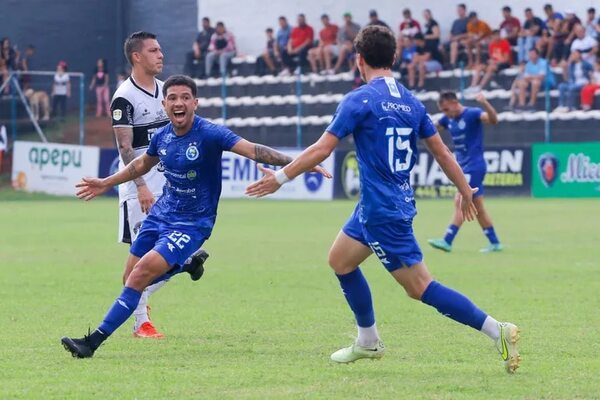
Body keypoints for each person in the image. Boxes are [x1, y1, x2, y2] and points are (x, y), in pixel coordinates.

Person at [246, 25, 520, 374]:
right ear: (393, 57)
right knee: (340, 261)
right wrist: (466, 190)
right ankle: (367, 341)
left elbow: (322, 148)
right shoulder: (411, 101)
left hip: (382, 211)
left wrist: (281, 178)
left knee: (421, 287)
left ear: (358, 59)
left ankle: (497, 330)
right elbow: (443, 154)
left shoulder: (359, 99)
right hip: (380, 205)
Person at [60, 74, 331, 359]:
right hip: (161, 214)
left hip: (192, 223)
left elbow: (254, 150)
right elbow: (140, 164)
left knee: (139, 275)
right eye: (173, 98)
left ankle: (91, 343)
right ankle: (188, 264)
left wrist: (300, 163)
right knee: (129, 275)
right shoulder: (163, 136)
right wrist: (106, 182)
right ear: (164, 104)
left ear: (195, 103)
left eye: (185, 98)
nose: (179, 103)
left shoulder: (211, 134)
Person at [109, 31, 208, 339]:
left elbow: (192, 131)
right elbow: (126, 149)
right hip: (141, 191)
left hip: (172, 191)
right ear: (137, 57)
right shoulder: (125, 97)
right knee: (140, 260)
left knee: (167, 256)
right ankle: (141, 324)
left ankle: (184, 264)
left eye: (160, 50)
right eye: (153, 50)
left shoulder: (168, 92)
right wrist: (140, 186)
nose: (160, 55)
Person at [428, 91, 504, 253]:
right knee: (478, 207)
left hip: (474, 166)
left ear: (455, 103)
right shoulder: (448, 119)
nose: (445, 113)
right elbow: (431, 128)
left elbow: (493, 120)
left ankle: (447, 240)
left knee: (460, 200)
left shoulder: (472, 114)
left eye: (447, 109)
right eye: (443, 111)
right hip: (462, 167)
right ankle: (495, 242)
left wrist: (485, 103)